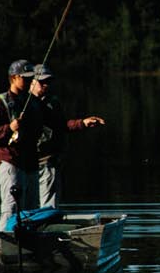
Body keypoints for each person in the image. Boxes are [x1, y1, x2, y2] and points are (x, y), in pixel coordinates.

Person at [25, 63, 105, 208]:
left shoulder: (53, 103)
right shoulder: (22, 103)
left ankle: (46, 227)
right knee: (26, 205)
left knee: (49, 205)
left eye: (48, 82)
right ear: (31, 81)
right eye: (42, 82)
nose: (46, 85)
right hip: (26, 163)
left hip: (48, 161)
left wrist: (83, 123)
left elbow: (61, 125)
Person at [0, 59, 38, 228]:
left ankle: (29, 248)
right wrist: (8, 128)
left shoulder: (32, 102)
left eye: (30, 78)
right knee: (11, 209)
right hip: (10, 163)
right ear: (13, 78)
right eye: (25, 78)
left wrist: (81, 123)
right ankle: (5, 241)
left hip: (30, 165)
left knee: (32, 212)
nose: (28, 81)